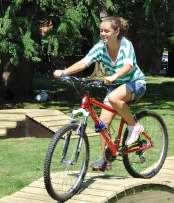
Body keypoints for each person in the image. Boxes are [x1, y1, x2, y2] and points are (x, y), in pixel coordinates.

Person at [53, 16, 146, 171]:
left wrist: (115, 76)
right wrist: (65, 72)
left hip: (135, 83)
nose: (103, 34)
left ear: (116, 31)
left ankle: (134, 126)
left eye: (106, 31)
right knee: (102, 123)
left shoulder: (126, 45)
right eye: (101, 31)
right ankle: (105, 159)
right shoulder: (100, 47)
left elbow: (128, 65)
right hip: (115, 86)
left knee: (113, 97)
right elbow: (85, 61)